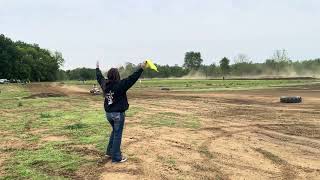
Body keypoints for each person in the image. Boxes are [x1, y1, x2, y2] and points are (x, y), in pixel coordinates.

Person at [96, 61, 145, 163]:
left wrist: (97, 68)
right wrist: (141, 68)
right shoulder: (120, 85)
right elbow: (132, 78)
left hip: (108, 114)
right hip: (118, 114)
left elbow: (99, 77)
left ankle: (109, 152)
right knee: (117, 134)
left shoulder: (104, 84)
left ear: (109, 75)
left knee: (115, 131)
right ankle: (116, 157)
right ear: (117, 76)